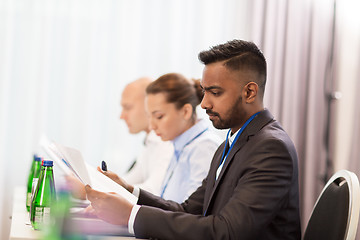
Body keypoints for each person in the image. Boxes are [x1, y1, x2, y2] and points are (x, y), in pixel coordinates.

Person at [85, 40, 301, 240]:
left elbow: (227, 231)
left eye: (215, 93)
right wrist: (129, 190)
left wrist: (132, 215)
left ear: (250, 92)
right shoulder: (233, 141)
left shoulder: (270, 148)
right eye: (204, 92)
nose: (205, 103)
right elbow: (188, 210)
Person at [99, 73, 222, 203]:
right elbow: (168, 204)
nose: (151, 126)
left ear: (186, 112)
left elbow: (191, 212)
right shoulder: (180, 145)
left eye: (159, 117)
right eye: (149, 116)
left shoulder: (203, 147)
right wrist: (125, 188)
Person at [66, 77, 173, 197]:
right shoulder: (151, 142)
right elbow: (127, 182)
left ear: (149, 105)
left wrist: (88, 190)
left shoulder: (166, 143)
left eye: (127, 107)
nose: (122, 116)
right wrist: (88, 182)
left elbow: (153, 192)